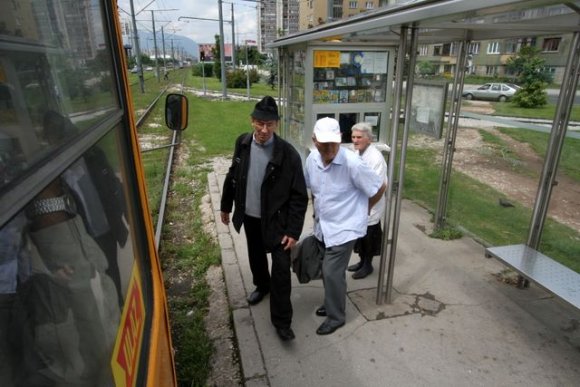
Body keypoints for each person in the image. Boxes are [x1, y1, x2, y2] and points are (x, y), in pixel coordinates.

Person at [220, 96, 308, 341]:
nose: (263, 130)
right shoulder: (243, 143)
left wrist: (293, 231)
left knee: (281, 270)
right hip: (250, 217)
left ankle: (281, 321)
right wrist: (226, 205)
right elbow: (233, 174)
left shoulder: (288, 155)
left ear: (277, 125)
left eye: (269, 124)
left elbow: (299, 197)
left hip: (278, 222)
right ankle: (261, 285)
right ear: (252, 121)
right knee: (256, 256)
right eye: (259, 123)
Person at [304, 117, 386, 335]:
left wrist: (366, 208)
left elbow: (380, 186)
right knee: (329, 271)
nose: (330, 148)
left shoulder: (353, 163)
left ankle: (336, 316)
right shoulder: (312, 159)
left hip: (345, 228)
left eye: (334, 142)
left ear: (340, 139)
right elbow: (312, 187)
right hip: (323, 226)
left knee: (331, 272)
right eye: (324, 143)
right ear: (314, 140)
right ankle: (333, 303)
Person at [348, 122, 388, 279]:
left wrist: (368, 206)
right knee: (360, 234)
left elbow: (381, 186)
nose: (355, 140)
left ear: (369, 139)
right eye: (353, 137)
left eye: (359, 137)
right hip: (360, 202)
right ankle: (361, 260)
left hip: (371, 204)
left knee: (369, 234)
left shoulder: (375, 158)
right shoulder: (357, 152)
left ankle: (367, 264)